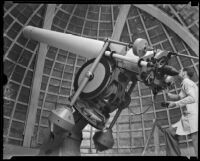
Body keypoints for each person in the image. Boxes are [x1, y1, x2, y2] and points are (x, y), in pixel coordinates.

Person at [164, 67, 198, 157]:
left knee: (196, 143)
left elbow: (192, 98)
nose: (179, 72)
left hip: (193, 117)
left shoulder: (187, 82)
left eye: (181, 70)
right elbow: (179, 96)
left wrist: (175, 104)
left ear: (184, 73)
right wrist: (167, 93)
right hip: (188, 117)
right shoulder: (186, 83)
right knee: (170, 131)